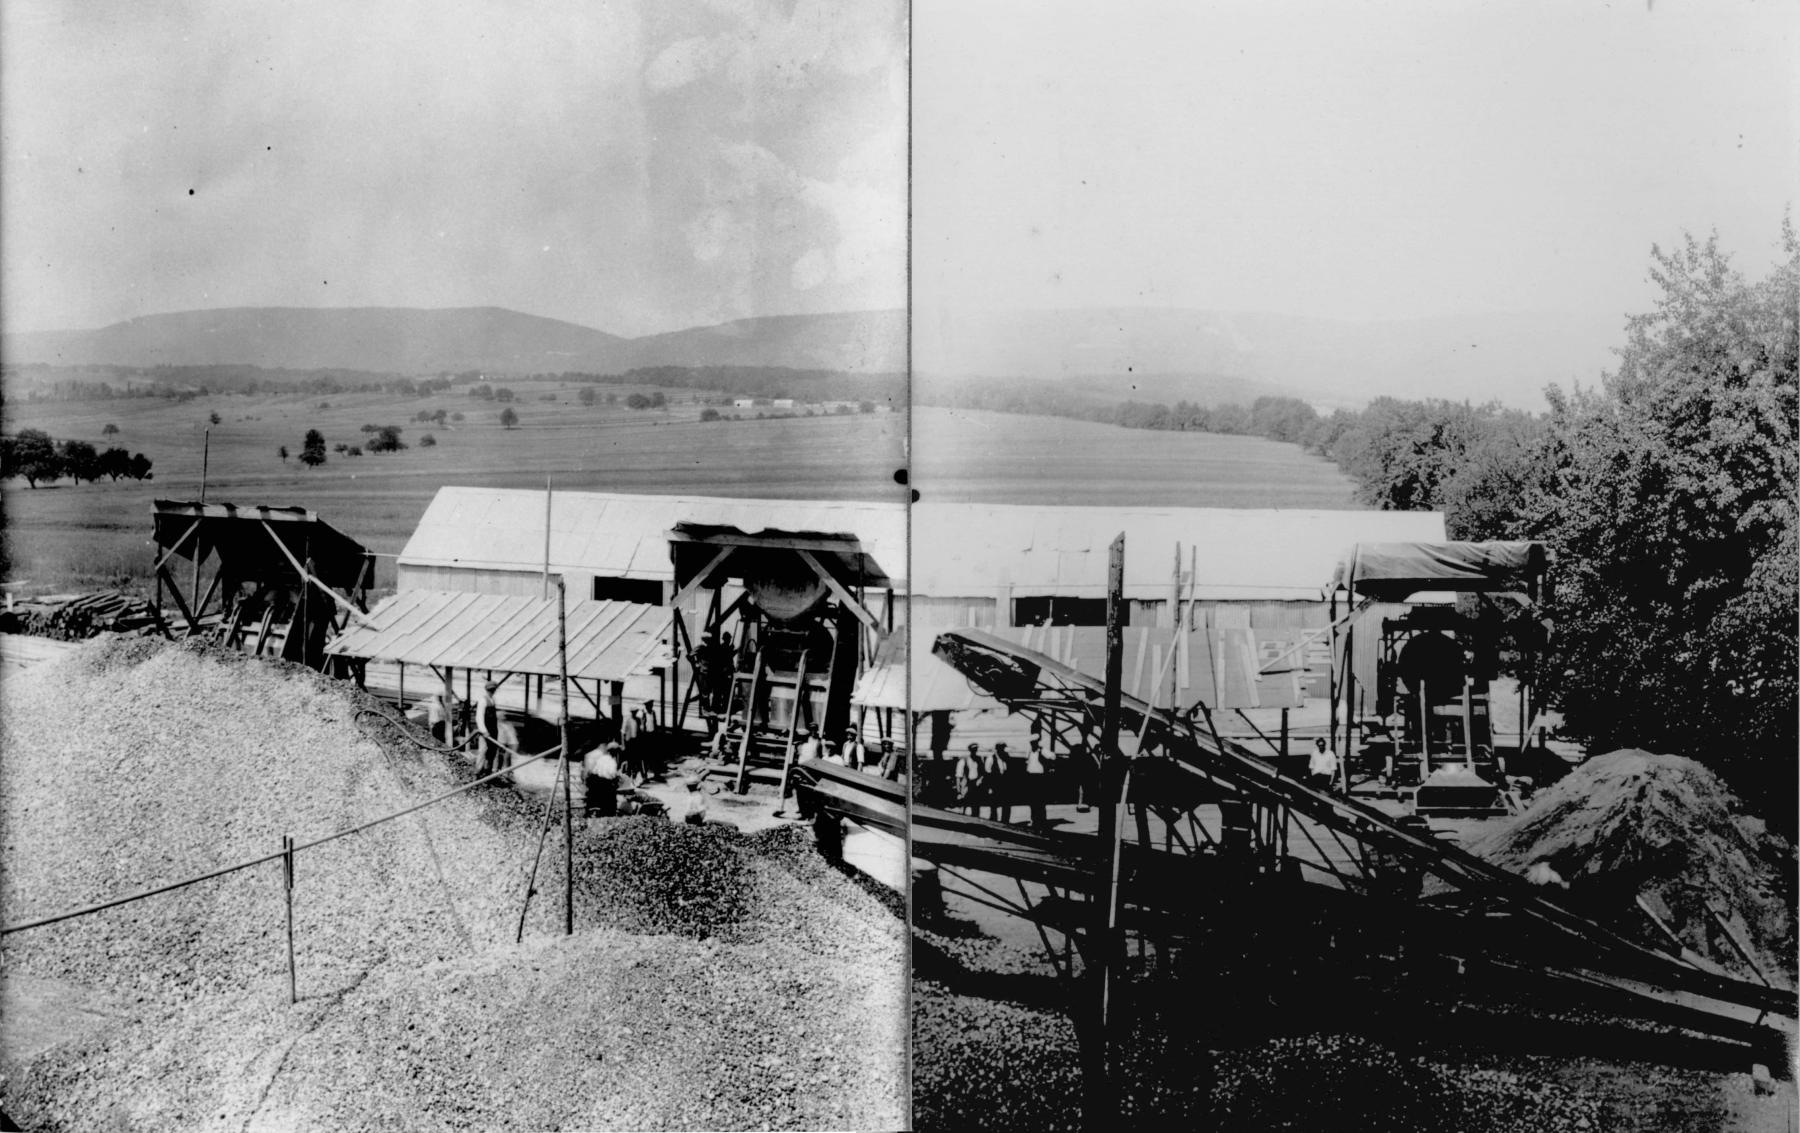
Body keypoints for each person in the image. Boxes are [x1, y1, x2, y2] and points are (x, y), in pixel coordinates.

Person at [584, 740, 621, 819]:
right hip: (605, 783)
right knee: (610, 799)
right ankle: (609, 814)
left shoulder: (601, 758)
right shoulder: (611, 761)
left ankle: (595, 812)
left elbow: (595, 770)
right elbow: (612, 774)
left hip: (596, 781)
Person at [473, 679, 503, 776]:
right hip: (485, 732)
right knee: (483, 751)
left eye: (493, 689)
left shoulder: (492, 700)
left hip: (493, 731)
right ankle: (478, 772)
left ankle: (487, 772)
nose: (492, 691)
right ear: (487, 690)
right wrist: (484, 731)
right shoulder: (483, 700)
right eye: (490, 690)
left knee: (492, 752)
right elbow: (479, 718)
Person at [1025, 739, 1050, 831]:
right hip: (1031, 777)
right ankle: (1034, 820)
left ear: (1037, 743)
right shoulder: (1029, 751)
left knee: (1040, 802)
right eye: (1031, 743)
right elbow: (1027, 762)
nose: (1033, 745)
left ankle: (1042, 821)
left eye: (1034, 743)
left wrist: (1045, 758)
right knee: (1032, 801)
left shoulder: (1043, 750)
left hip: (1040, 778)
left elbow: (1053, 757)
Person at [985, 742, 1013, 823]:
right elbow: (988, 774)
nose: (1002, 750)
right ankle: (994, 821)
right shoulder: (991, 758)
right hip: (994, 783)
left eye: (1003, 748)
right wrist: (989, 787)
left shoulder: (1006, 757)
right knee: (994, 803)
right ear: (997, 749)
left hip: (1004, 783)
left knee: (1006, 803)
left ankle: (1005, 821)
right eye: (1001, 748)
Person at [954, 742, 983, 814]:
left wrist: (979, 780)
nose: (975, 751)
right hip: (966, 786)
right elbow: (958, 776)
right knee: (964, 807)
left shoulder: (979, 760)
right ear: (970, 750)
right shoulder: (964, 760)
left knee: (975, 807)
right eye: (973, 749)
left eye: (976, 749)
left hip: (976, 786)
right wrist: (958, 791)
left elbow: (983, 773)